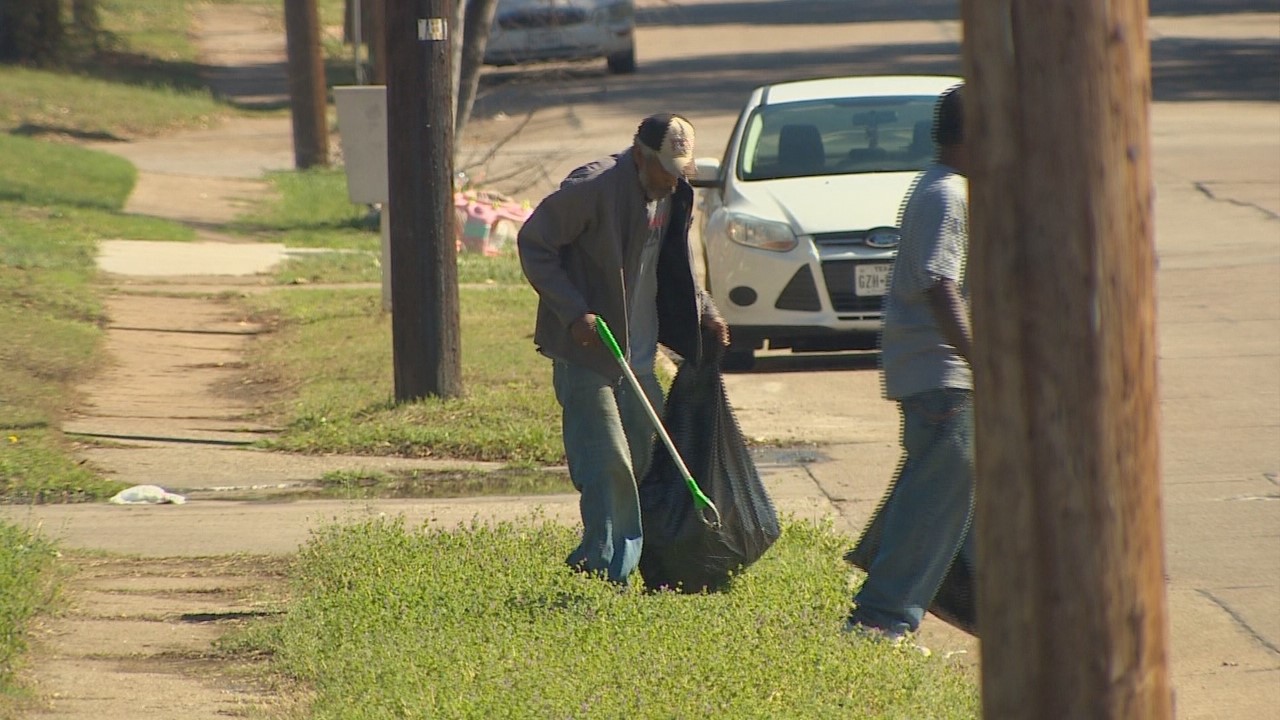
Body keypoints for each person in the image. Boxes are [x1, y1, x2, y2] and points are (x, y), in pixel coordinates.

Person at [517, 113, 730, 585]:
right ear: (640, 155)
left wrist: (705, 310)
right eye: (664, 171)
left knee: (638, 459)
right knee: (607, 461)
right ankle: (604, 571)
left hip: (639, 355)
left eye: (681, 171)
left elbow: (678, 265)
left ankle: (617, 557)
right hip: (589, 352)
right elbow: (535, 242)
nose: (672, 181)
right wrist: (574, 312)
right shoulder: (592, 189)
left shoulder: (675, 195)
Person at [844, 84, 975, 642]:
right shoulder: (947, 194)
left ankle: (937, 596)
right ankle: (881, 617)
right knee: (935, 495)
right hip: (942, 376)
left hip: (937, 375)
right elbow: (939, 285)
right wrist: (982, 361)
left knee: (944, 488)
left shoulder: (944, 187)